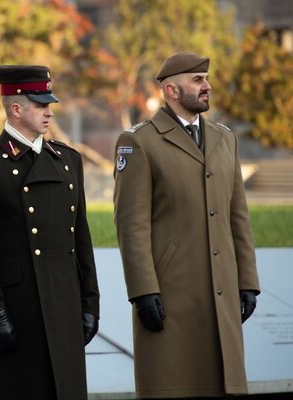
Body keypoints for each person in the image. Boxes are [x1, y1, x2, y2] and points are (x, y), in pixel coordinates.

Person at [113, 52, 260, 399]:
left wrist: (248, 281)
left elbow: (238, 216)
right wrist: (143, 291)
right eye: (197, 80)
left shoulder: (226, 139)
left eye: (206, 78)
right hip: (170, 296)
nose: (207, 86)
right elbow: (131, 225)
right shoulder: (138, 142)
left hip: (221, 293)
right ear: (171, 90)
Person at [0, 65, 100, 400]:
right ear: (16, 109)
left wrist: (90, 303)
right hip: (18, 310)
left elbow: (81, 241)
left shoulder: (68, 161)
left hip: (64, 306)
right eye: (40, 104)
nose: (49, 111)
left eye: (49, 104)